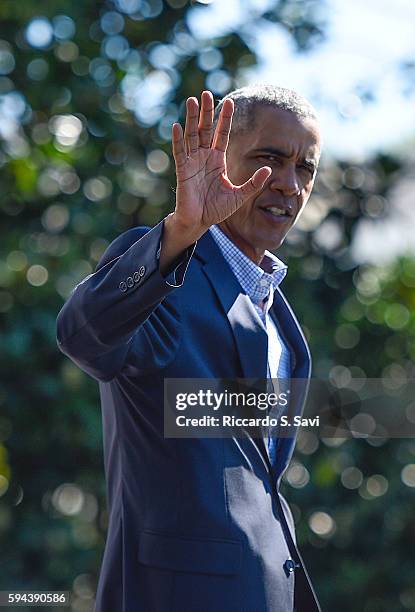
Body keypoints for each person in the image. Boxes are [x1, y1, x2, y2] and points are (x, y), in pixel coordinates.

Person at [56, 84, 322, 612]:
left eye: (305, 168)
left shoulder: (281, 320)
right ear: (220, 159)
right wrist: (181, 230)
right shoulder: (166, 267)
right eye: (269, 159)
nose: (289, 184)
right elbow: (83, 337)